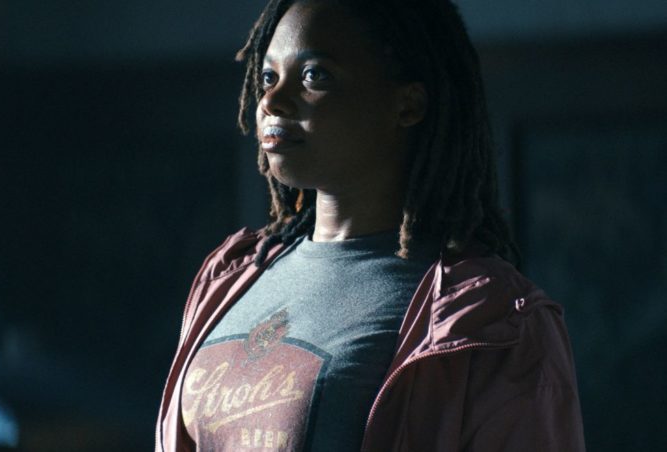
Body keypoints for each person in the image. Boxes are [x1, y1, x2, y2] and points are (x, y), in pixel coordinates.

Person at [157, 0, 585, 450]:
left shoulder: (495, 321)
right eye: (268, 77)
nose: (271, 101)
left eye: (314, 75)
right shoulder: (229, 277)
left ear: (407, 104)